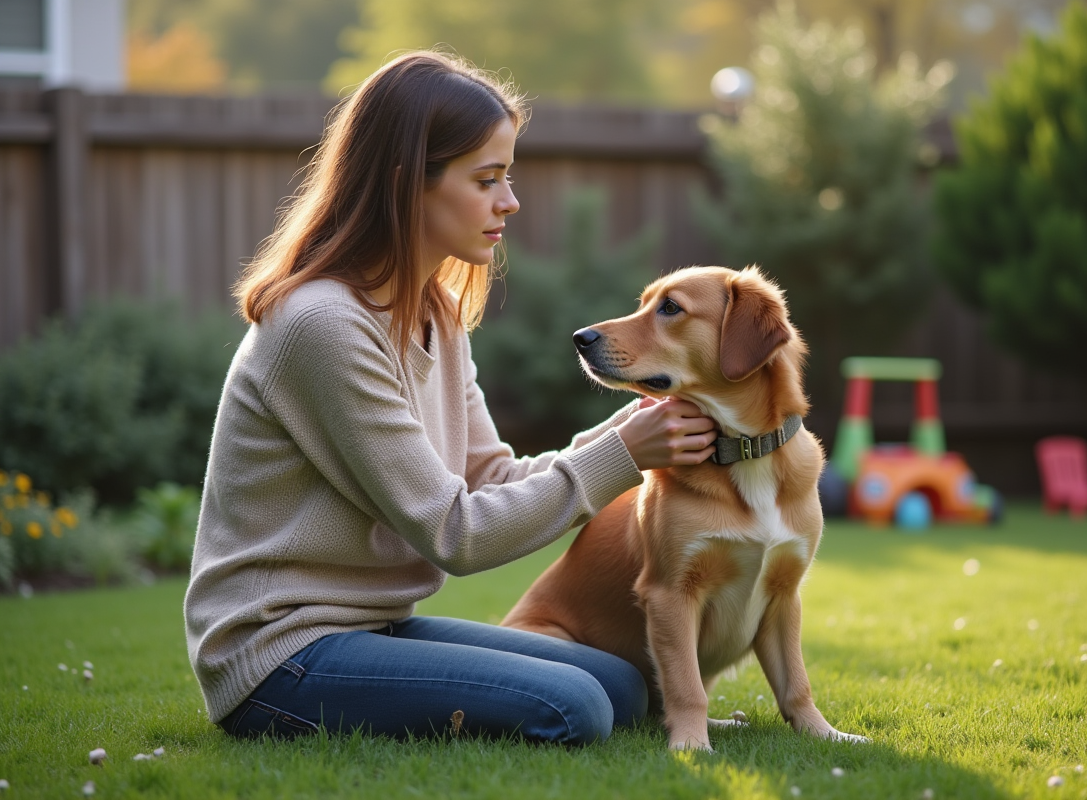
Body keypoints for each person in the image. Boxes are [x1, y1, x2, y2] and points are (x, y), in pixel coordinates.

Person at [183, 51, 717, 745]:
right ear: (410, 185)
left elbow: (489, 479)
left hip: (373, 626)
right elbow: (455, 532)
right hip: (279, 657)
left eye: (508, 177)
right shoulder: (324, 327)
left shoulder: (431, 312)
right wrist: (622, 455)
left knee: (620, 680)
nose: (510, 201)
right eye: (487, 179)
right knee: (574, 707)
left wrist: (625, 430)